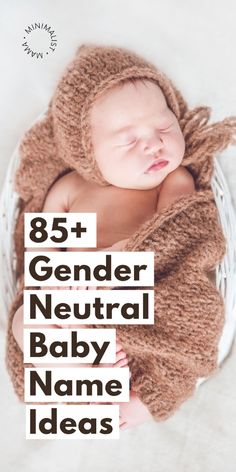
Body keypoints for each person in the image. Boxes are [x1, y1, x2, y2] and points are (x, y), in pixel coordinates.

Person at [12, 76, 195, 429]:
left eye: (164, 125)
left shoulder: (174, 180)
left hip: (143, 300)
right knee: (26, 320)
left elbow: (174, 240)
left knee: (177, 343)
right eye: (129, 140)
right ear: (87, 150)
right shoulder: (69, 188)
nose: (155, 144)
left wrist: (112, 260)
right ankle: (79, 373)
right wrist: (58, 290)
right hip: (77, 309)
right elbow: (42, 261)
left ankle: (138, 401)